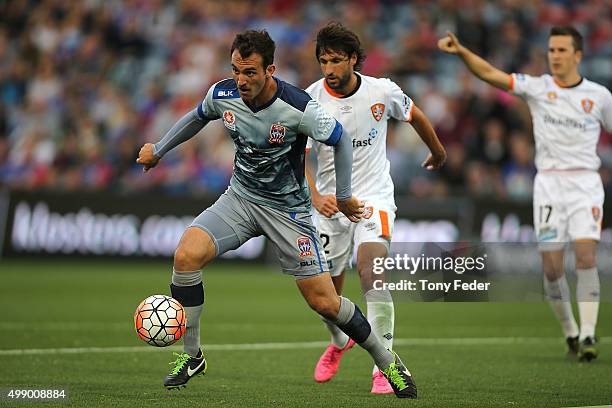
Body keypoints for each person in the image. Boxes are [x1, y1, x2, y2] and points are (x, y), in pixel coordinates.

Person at [136, 29, 417, 398]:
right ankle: (191, 355)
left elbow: (340, 139)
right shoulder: (223, 93)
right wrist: (158, 149)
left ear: (270, 69)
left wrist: (344, 196)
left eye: (250, 72)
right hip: (240, 199)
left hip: (288, 212)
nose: (241, 80)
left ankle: (388, 362)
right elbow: (196, 116)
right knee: (186, 255)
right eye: (236, 70)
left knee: (325, 303)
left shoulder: (297, 106)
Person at [438, 26, 612, 361]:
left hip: (585, 184)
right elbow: (491, 74)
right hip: (547, 184)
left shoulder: (600, 96)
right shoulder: (538, 87)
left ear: (578, 55)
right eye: (551, 50)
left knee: (587, 255)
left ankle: (589, 334)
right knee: (551, 268)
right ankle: (571, 333)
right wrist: (462, 52)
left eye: (562, 50)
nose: (555, 56)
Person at [305, 22, 446, 393]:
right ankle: (338, 342)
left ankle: (384, 366)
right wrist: (316, 196)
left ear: (353, 59)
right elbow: (296, 156)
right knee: (325, 298)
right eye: (323, 61)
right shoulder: (309, 99)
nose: (329, 69)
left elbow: (414, 115)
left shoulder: (382, 91)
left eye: (336, 60)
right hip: (330, 205)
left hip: (373, 199)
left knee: (372, 272)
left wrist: (438, 151)